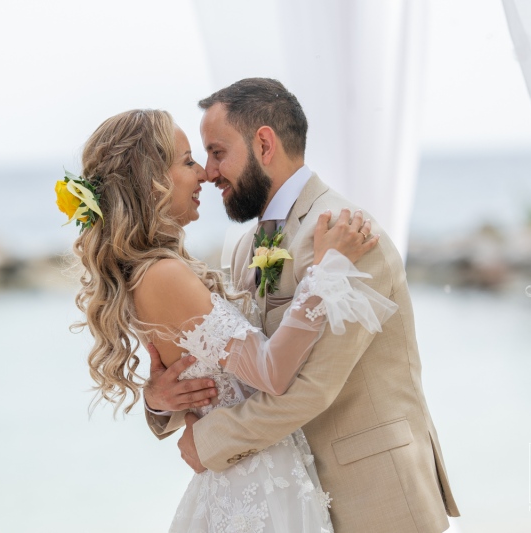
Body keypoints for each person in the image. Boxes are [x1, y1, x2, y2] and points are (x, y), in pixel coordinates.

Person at [144, 78, 460, 532]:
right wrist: (161, 400)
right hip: (292, 500)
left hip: (373, 495)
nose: (209, 172)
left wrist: (210, 441)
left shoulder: (346, 235)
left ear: (264, 144)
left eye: (217, 152)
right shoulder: (243, 247)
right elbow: (231, 364)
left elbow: (314, 386)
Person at [65, 108, 397, 532]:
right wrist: (325, 272)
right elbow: (272, 374)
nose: (203, 173)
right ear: (153, 181)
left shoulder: (153, 271)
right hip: (256, 486)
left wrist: (156, 399)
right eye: (188, 161)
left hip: (254, 478)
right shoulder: (163, 275)